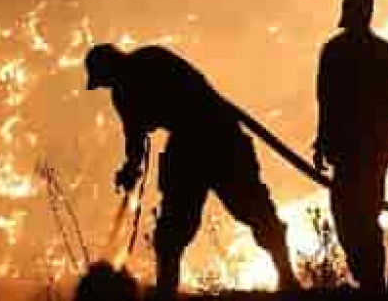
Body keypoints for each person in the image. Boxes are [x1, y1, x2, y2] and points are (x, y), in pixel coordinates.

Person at [84, 43, 299, 296]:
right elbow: (135, 138)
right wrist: (130, 168)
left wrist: (133, 164)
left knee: (255, 211)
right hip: (192, 145)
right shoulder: (124, 91)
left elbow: (195, 93)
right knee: (172, 232)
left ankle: (287, 279)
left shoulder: (151, 62)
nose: (106, 85)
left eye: (104, 79)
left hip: (218, 137)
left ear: (110, 67)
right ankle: (167, 291)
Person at [313, 0, 388, 290]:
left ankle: (370, 282)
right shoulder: (383, 52)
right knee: (363, 216)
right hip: (368, 154)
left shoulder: (334, 51)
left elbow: (326, 102)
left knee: (350, 216)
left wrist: (323, 143)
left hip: (352, 154)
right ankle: (371, 281)